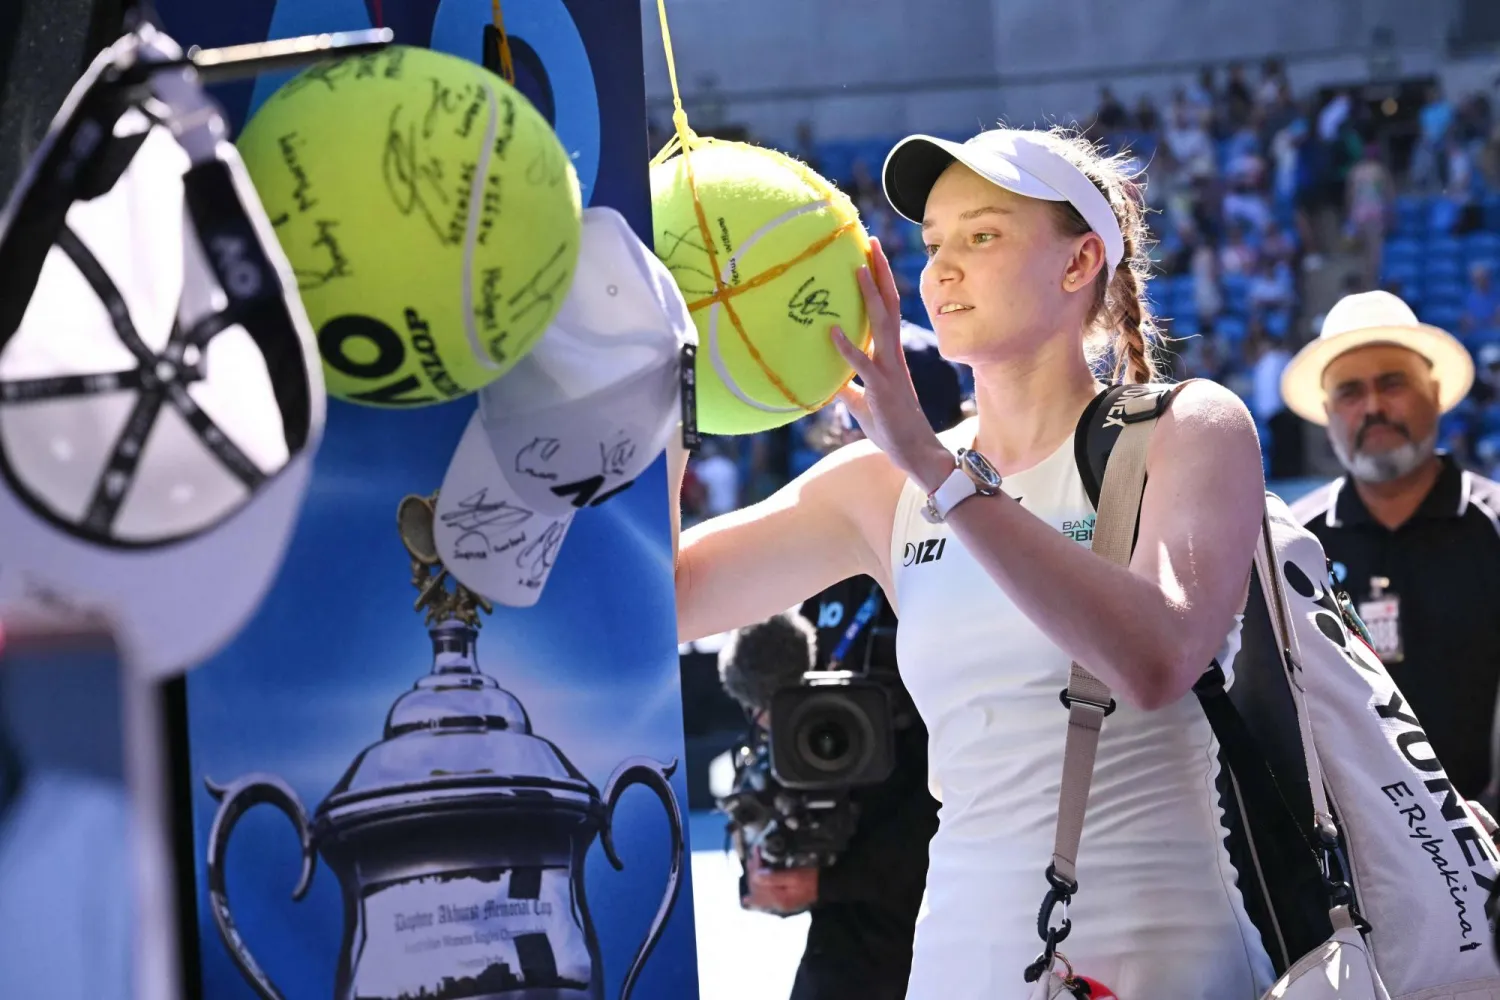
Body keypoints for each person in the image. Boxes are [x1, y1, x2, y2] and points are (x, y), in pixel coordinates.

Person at [670, 126, 1274, 998]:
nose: (941, 270)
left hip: (1168, 954)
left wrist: (939, 473)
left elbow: (1157, 659)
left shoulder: (1187, 427)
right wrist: (674, 387)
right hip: (964, 956)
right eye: (933, 244)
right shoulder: (885, 481)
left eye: (982, 236)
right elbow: (670, 598)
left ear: (1079, 265)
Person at [736, 329, 961, 1000]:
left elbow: (972, 779)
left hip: (952, 923)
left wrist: (830, 881)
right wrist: (770, 847)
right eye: (852, 423)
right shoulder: (827, 564)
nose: (858, 443)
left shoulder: (977, 562)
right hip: (847, 935)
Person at [1285, 289, 1500, 807]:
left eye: (1393, 383)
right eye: (1351, 392)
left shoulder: (1492, 527)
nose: (1374, 407)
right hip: (1354, 865)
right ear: (1328, 414)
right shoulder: (1293, 545)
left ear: (1435, 392)